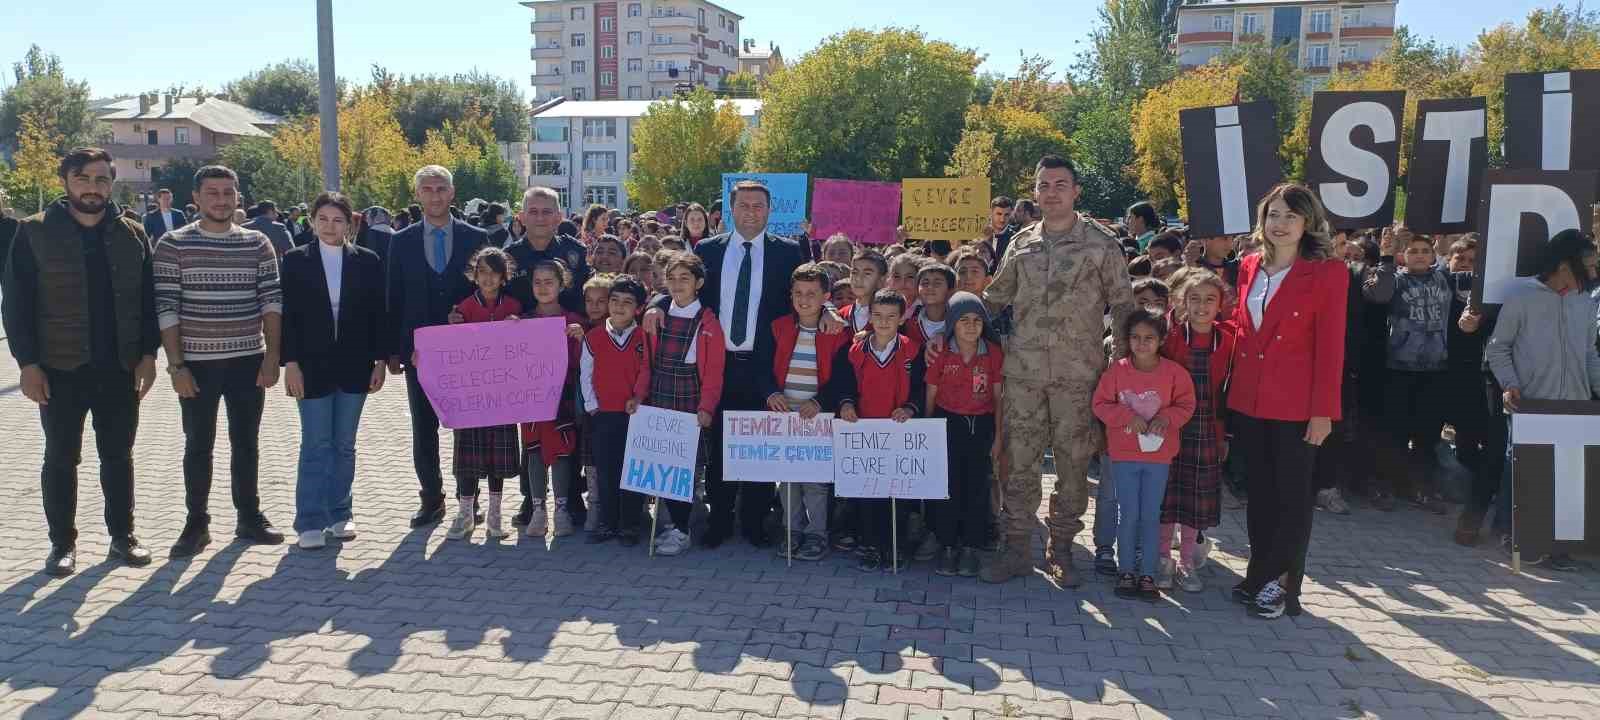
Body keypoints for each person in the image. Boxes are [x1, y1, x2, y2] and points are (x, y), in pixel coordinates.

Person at [979, 155, 1136, 587]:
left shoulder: (1101, 244)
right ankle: (1016, 548)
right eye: (1044, 185)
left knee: (1072, 467)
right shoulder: (1021, 243)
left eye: (1060, 184)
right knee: (1020, 463)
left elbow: (1123, 307)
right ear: (1035, 192)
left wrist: (1123, 372)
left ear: (1076, 191)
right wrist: (952, 323)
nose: (1051, 192)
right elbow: (995, 299)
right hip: (1024, 375)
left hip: (1078, 376)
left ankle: (1062, 548)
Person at [643, 181, 827, 549]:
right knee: (721, 448)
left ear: (769, 210)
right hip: (719, 364)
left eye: (759, 206)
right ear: (731, 209)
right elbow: (684, 287)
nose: (751, 212)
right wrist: (656, 306)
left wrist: (830, 312)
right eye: (743, 205)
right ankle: (720, 520)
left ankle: (756, 522)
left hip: (766, 367)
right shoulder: (708, 250)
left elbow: (810, 291)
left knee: (759, 446)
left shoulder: (789, 252)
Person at [4, 147, 159, 576]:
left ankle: (122, 536)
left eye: (101, 180)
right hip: (59, 369)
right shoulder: (33, 232)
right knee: (60, 458)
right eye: (83, 178)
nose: (93, 188)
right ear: (66, 181)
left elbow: (149, 300)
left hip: (120, 369)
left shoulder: (131, 233)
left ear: (112, 183)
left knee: (118, 456)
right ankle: (62, 544)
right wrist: (28, 364)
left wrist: (149, 356)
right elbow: (15, 306)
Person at [1227, 183, 1349, 619]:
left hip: (1298, 408)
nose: (1280, 224)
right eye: (1273, 214)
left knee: (1292, 498)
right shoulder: (1247, 267)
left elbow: (1331, 348)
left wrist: (1323, 413)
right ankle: (1258, 573)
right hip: (1249, 403)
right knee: (1259, 494)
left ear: (1307, 223)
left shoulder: (1328, 273)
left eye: (1290, 217)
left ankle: (1283, 586)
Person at [155, 165, 286, 557]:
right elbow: (166, 308)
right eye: (212, 192)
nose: (221, 200)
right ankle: (196, 523)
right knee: (198, 445)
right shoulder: (173, 244)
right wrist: (177, 367)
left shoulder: (257, 242)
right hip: (196, 364)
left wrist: (273, 357)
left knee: (246, 442)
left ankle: (249, 516)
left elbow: (271, 302)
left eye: (228, 192)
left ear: (237, 197)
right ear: (196, 199)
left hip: (249, 359)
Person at [1478, 229, 1600, 570]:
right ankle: (1508, 532)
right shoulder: (1522, 296)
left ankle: (1557, 543)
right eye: (1587, 266)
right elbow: (1498, 347)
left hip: (1574, 406)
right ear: (1564, 265)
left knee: (1565, 473)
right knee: (1516, 465)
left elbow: (1590, 354)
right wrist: (1511, 384)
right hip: (1529, 402)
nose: (1593, 274)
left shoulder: (1585, 304)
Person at [278, 192, 387, 550]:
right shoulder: (295, 260)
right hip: (310, 368)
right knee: (316, 443)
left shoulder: (367, 261)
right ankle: (309, 520)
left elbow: (377, 315)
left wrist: (380, 361)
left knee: (344, 444)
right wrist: (289, 363)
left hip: (355, 366)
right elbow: (288, 318)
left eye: (337, 220)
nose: (330, 226)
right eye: (322, 219)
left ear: (350, 223)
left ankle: (340, 513)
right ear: (312, 221)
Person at [386, 165, 489, 527]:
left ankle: (469, 499)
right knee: (423, 427)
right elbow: (393, 298)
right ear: (417, 195)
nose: (434, 195)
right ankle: (431, 498)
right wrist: (395, 351)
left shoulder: (477, 236)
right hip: (420, 353)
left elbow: (487, 291)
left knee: (468, 428)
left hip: (466, 353)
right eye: (427, 189)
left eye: (441, 188)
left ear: (452, 192)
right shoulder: (401, 241)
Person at [1094, 308, 1195, 602]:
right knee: (1129, 514)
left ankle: (1148, 573)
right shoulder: (1116, 372)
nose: (1142, 343)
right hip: (1123, 456)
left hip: (1158, 457)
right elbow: (1100, 404)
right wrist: (1125, 416)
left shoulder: (1174, 373)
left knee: (1151, 515)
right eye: (1135, 337)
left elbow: (1186, 405)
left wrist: (1166, 417)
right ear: (1127, 339)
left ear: (1161, 339)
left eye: (1149, 338)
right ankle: (1126, 571)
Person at [1361, 225, 1463, 513]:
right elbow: (1378, 295)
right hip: (1399, 366)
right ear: (1404, 255)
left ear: (1433, 254)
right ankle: (1383, 484)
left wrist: (1445, 238)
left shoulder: (1445, 278)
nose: (1419, 255)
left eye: (1425, 251)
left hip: (1434, 368)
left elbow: (1455, 255)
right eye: (1413, 251)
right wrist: (1387, 256)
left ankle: (1420, 487)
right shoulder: (1395, 280)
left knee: (1427, 435)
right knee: (1393, 431)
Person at [834, 288, 926, 571]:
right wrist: (847, 404)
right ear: (869, 316)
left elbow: (922, 387)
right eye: (877, 315)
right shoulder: (856, 350)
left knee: (897, 494)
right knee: (868, 494)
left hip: (898, 431)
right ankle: (871, 545)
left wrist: (911, 408)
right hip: (866, 432)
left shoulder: (912, 349)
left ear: (901, 319)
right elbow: (844, 383)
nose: (883, 321)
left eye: (890, 316)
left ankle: (894, 546)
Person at [1156, 272, 1236, 592]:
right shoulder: (1172, 336)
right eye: (1194, 299)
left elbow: (1232, 392)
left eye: (1210, 299)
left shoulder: (1229, 339)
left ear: (1221, 305)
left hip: (1206, 429)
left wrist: (1225, 437)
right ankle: (1162, 558)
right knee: (1167, 496)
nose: (1202, 306)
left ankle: (1187, 561)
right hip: (1171, 425)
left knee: (1193, 499)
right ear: (1182, 303)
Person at [644, 252, 727, 555]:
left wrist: (707, 407)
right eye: (672, 278)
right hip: (660, 393)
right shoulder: (657, 314)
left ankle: (682, 530)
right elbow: (647, 363)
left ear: (699, 283)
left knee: (686, 468)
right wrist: (641, 397)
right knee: (665, 465)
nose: (678, 284)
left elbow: (714, 372)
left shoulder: (708, 323)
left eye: (685, 278)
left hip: (690, 398)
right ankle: (675, 524)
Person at [767, 264, 851, 561]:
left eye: (812, 294)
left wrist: (822, 401)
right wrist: (771, 393)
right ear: (790, 294)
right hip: (784, 416)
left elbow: (843, 375)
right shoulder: (778, 326)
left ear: (826, 296)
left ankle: (817, 533)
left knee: (815, 481)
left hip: (818, 418)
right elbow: (762, 366)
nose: (804, 300)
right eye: (799, 293)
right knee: (786, 477)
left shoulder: (838, 331)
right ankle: (791, 529)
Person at [445, 247, 524, 540]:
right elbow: (449, 349)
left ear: (504, 277)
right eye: (483, 273)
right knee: (467, 455)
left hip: (502, 396)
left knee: (497, 456)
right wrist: (452, 327)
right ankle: (465, 513)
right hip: (470, 396)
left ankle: (494, 514)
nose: (488, 279)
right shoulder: (463, 308)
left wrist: (519, 326)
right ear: (474, 276)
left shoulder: (514, 306)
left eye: (494, 273)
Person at [925, 291, 1004, 577]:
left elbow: (998, 398)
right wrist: (928, 431)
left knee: (976, 488)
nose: (971, 326)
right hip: (947, 424)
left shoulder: (993, 353)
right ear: (951, 324)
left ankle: (970, 547)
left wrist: (998, 436)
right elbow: (931, 394)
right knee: (948, 488)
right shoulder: (941, 352)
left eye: (977, 320)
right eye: (963, 321)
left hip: (981, 425)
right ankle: (947, 546)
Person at [580, 274, 651, 545]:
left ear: (638, 309)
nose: (619, 306)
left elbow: (646, 370)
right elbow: (585, 374)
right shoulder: (594, 337)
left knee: (632, 471)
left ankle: (630, 525)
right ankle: (607, 523)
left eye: (627, 302)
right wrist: (593, 406)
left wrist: (638, 397)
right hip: (603, 415)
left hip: (634, 414)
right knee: (607, 471)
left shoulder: (644, 336)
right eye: (615, 300)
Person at [520, 260, 585, 539]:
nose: (543, 287)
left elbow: (587, 362)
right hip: (531, 400)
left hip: (562, 398)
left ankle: (561, 510)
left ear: (562, 284)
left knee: (561, 451)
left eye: (549, 282)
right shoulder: (522, 321)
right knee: (533, 450)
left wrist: (582, 338)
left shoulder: (574, 321)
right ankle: (538, 510)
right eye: (537, 282)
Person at [507, 188, 591, 315]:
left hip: (569, 331)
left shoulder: (576, 252)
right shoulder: (508, 258)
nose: (540, 218)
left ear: (558, 218)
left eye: (546, 212)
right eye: (533, 212)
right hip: (521, 333)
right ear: (522, 218)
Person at [903, 263, 954, 349]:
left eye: (937, 283)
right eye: (925, 283)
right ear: (917, 291)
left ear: (950, 290)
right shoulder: (907, 324)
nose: (930, 287)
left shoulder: (958, 323)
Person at [986, 196, 1017, 267]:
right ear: (991, 212)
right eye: (999, 214)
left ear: (1011, 214)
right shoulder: (978, 234)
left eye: (1006, 215)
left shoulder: (1015, 239)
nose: (1002, 219)